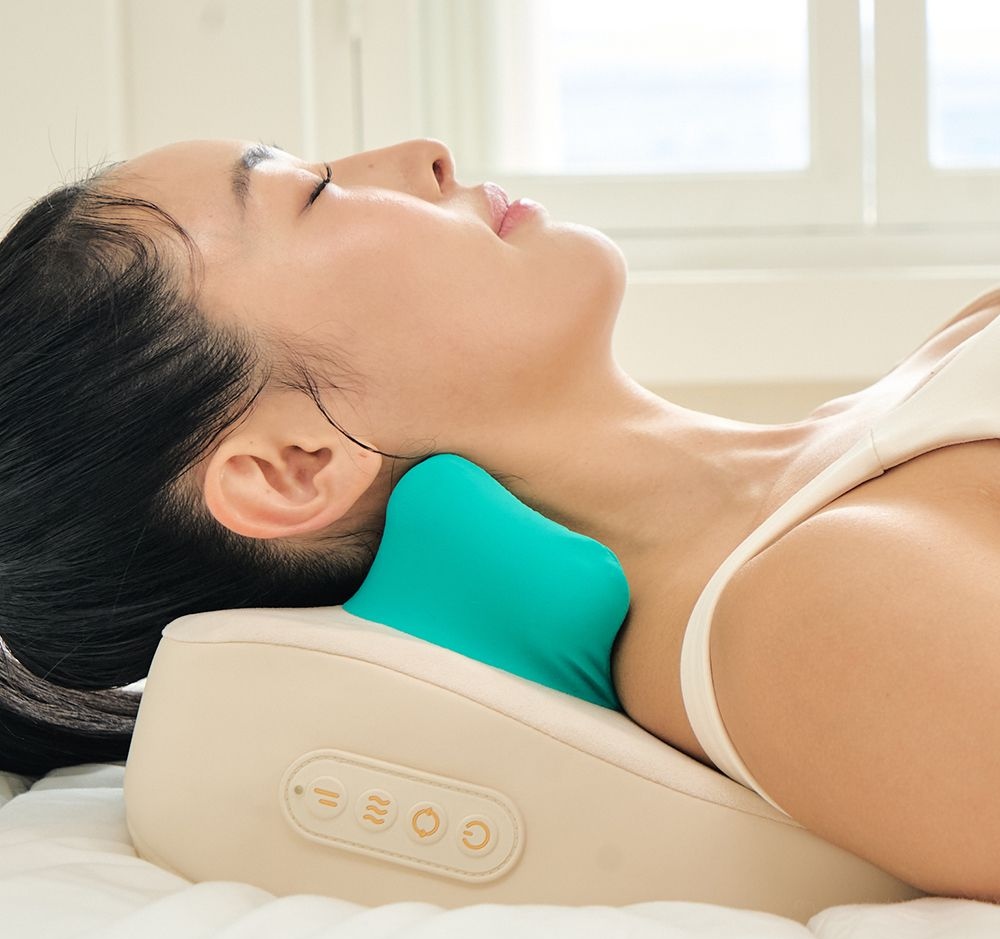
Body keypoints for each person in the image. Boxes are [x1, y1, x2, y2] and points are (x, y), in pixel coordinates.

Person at [2, 138, 999, 900]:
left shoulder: (916, 386)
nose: (423, 156)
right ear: (293, 469)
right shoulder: (814, 624)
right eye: (314, 193)